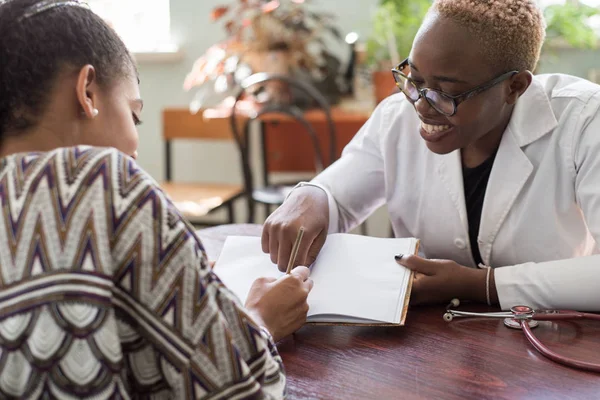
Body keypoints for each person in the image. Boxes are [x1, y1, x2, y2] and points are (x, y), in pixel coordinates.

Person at [0, 0, 312, 398]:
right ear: (88, 92)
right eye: (134, 115)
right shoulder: (105, 178)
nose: (135, 148)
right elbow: (236, 390)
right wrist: (258, 320)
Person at [263, 0, 600, 312]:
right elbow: (339, 195)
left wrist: (480, 285)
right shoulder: (397, 116)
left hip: (551, 339)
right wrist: (312, 195)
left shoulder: (584, 121)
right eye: (414, 79)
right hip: (428, 343)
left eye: (447, 93)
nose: (422, 105)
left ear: (515, 87)